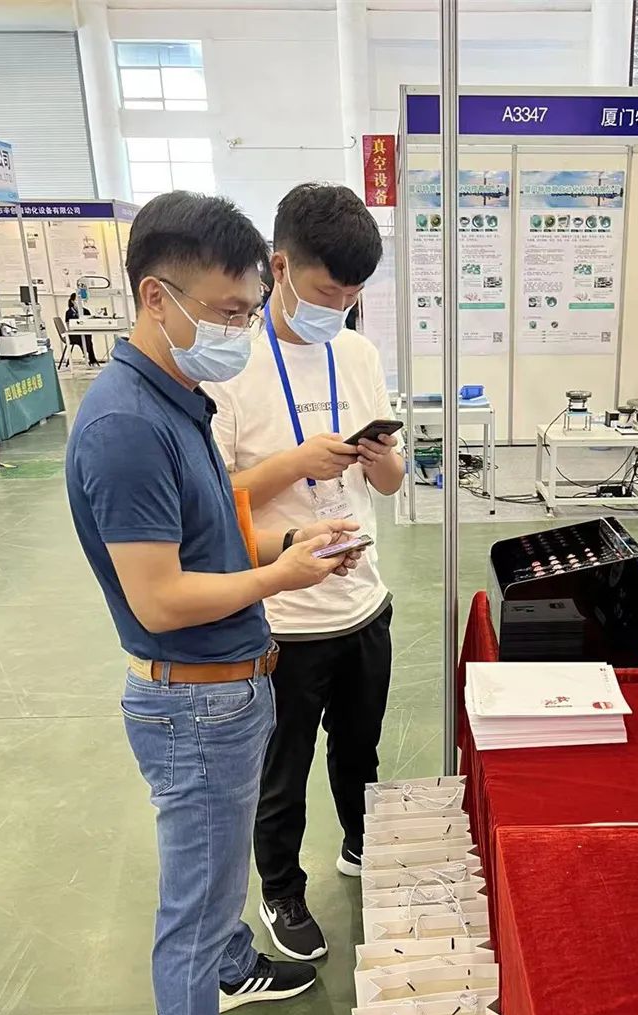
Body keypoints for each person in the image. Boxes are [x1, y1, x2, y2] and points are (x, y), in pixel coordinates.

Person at [65, 190, 363, 1015]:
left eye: (248, 311)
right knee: (193, 900)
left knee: (220, 864)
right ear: (158, 297)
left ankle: (235, 964)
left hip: (231, 687)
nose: (241, 331)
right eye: (230, 313)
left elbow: (211, 534)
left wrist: (289, 543)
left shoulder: (178, 399)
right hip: (191, 701)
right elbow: (158, 597)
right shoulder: (124, 426)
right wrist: (280, 578)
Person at [212, 183, 404, 964]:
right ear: (280, 266)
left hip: (363, 601)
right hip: (284, 619)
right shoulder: (231, 364)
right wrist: (296, 461)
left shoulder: (358, 353)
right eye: (329, 291)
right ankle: (282, 890)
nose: (341, 306)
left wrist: (380, 457)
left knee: (360, 751)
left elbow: (389, 483)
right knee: (281, 772)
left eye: (355, 293)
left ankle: (361, 842)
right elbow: (214, 501)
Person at [65, 290, 100, 367]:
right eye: (77, 300)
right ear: (72, 301)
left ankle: (89, 356)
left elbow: (89, 322)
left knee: (87, 337)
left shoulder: (86, 311)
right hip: (74, 334)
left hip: (85, 332)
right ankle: (90, 358)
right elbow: (68, 324)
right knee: (86, 339)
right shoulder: (69, 312)